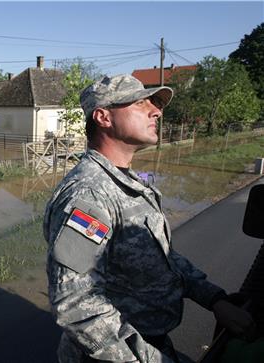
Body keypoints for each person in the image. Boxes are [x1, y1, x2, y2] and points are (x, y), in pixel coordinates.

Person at [43, 74, 255, 362]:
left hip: (149, 343)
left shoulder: (128, 182)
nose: (157, 111)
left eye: (154, 104)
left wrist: (215, 300)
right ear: (103, 117)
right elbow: (76, 304)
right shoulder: (89, 194)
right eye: (141, 104)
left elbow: (161, 256)